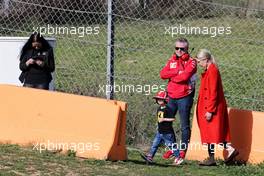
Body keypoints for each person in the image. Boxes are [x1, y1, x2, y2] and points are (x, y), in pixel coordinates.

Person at [195, 49, 239, 166]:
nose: (199, 64)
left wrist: (210, 110)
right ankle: (211, 158)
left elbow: (213, 92)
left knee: (216, 133)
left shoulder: (213, 71)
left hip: (212, 108)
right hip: (208, 106)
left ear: (206, 60)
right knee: (210, 134)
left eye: (200, 61)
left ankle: (230, 149)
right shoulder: (209, 70)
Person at [160, 38, 197, 164]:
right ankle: (173, 148)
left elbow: (185, 77)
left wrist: (173, 76)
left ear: (187, 49)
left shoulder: (192, 62)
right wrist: (176, 72)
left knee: (184, 125)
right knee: (166, 124)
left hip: (184, 97)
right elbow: (163, 74)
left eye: (182, 49)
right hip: (171, 96)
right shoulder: (172, 60)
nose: (179, 51)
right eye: (177, 48)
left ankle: (183, 150)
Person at [140, 90, 181, 164]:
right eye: (158, 99)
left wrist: (164, 119)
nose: (159, 100)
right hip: (160, 131)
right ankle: (150, 157)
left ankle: (178, 158)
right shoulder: (159, 108)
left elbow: (173, 118)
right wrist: (158, 125)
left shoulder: (168, 109)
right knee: (154, 144)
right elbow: (159, 119)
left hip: (167, 132)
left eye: (161, 99)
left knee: (171, 145)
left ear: (165, 100)